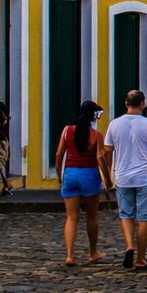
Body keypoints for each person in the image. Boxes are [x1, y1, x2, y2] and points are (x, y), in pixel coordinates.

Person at [105, 89, 147, 270]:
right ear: (143, 104)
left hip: (122, 176)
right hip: (145, 176)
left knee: (126, 215)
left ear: (126, 104)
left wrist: (109, 174)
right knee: (144, 218)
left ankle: (129, 247)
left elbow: (107, 152)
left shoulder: (114, 124)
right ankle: (140, 259)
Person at [55, 100, 110, 266]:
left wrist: (60, 176)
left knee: (71, 218)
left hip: (70, 174)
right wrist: (107, 179)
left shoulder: (67, 130)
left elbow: (59, 155)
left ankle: (70, 255)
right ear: (94, 117)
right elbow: (100, 157)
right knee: (92, 216)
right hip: (90, 175)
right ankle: (93, 251)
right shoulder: (97, 135)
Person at [0, 92, 14, 188]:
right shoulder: (1, 115)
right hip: (1, 137)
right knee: (2, 160)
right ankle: (5, 184)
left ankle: (6, 183)